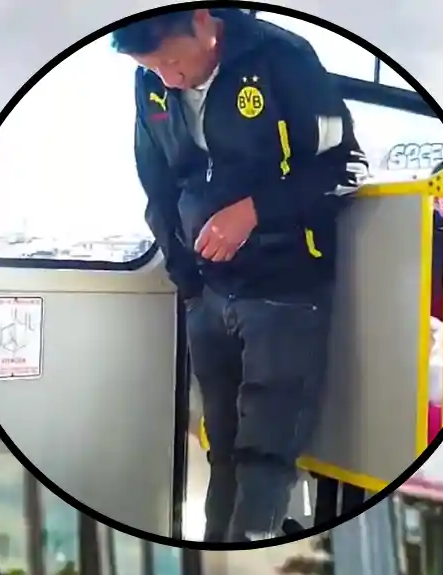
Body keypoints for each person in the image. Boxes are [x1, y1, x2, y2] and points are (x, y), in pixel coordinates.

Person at [113, 9, 366, 542]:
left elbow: (344, 167)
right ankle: (212, 562)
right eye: (153, 69)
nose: (169, 80)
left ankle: (254, 563)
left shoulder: (283, 58)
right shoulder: (151, 84)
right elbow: (157, 186)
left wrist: (254, 211)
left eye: (173, 62)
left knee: (264, 459)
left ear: (203, 21)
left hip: (285, 288)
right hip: (206, 294)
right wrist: (186, 280)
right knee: (222, 451)